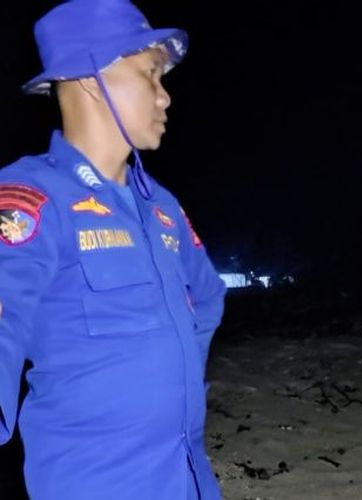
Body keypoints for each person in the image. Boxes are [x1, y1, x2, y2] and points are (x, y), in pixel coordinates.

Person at [0, 1, 226, 498]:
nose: (165, 98)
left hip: (189, 476)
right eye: (151, 75)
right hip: (96, 483)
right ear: (87, 76)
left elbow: (207, 298)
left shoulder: (160, 205)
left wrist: (170, 379)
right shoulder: (31, 197)